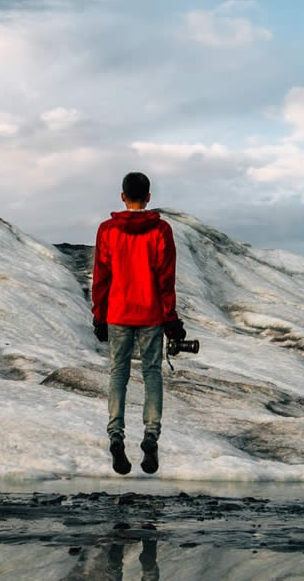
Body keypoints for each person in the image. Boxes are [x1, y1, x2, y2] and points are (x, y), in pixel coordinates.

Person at [91, 171, 185, 475]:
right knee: (151, 373)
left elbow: (101, 276)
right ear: (148, 198)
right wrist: (171, 318)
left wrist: (99, 315)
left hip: (118, 313)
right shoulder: (161, 230)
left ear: (123, 196)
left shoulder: (107, 231)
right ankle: (150, 436)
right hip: (151, 314)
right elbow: (165, 279)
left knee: (118, 373)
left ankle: (116, 436)